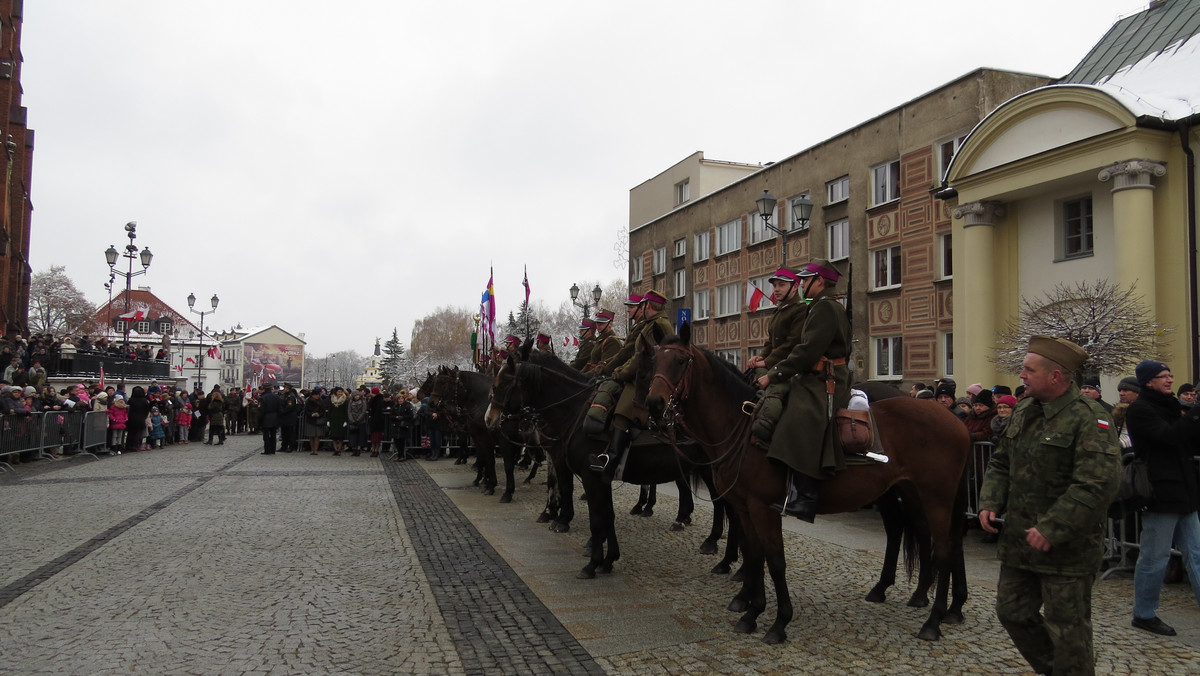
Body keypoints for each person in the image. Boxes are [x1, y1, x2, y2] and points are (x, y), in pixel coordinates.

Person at [978, 335, 1121, 676]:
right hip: (1020, 542)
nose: (1022, 375)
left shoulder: (1090, 418)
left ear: (1056, 375)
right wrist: (990, 499)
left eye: (1029, 369)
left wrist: (1053, 527)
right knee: (1012, 612)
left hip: (1066, 548)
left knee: (1067, 628)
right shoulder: (1026, 410)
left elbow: (1098, 483)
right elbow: (1000, 462)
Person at [757, 260, 851, 523]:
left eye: (805, 279)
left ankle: (806, 495)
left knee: (799, 415)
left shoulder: (825, 308)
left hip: (827, 378)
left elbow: (806, 350)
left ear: (819, 281)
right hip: (817, 374)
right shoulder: (822, 306)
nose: (802, 283)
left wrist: (774, 374)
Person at [1126, 360, 1200, 636]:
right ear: (1148, 382)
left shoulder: (1169, 405)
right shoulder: (1140, 410)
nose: (1169, 380)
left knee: (1197, 554)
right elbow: (1169, 437)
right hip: (1161, 493)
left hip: (1185, 493)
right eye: (1163, 376)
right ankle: (1143, 613)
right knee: (1155, 558)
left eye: (1170, 375)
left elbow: (1187, 441)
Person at [587, 289, 674, 481]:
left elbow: (639, 357)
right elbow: (633, 355)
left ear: (647, 306)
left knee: (622, 413)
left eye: (639, 305)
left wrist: (621, 373)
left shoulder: (657, 325)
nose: (630, 310)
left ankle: (611, 460)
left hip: (648, 380)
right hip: (644, 375)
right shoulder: (652, 324)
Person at [746, 267, 810, 446]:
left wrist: (767, 362)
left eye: (782, 285)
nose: (776, 289)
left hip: (789, 368)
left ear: (795, 286)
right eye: (775, 285)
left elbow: (792, 343)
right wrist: (759, 358)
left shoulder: (800, 310)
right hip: (774, 363)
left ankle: (765, 432)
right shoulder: (781, 310)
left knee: (774, 393)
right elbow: (771, 342)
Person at [125, 386, 152, 452]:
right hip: (141, 418)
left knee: (131, 433)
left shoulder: (131, 400)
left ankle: (129, 446)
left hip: (131, 418)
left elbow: (128, 409)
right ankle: (136, 445)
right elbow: (147, 410)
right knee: (138, 433)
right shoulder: (144, 400)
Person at [258, 383, 282, 454]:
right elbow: (280, 409)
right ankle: (273, 450)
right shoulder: (277, 397)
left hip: (266, 418)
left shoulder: (262, 398)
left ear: (264, 389)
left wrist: (259, 420)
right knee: (273, 435)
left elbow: (261, 410)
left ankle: (267, 450)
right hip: (275, 417)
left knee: (266, 436)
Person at [304, 388, 327, 455]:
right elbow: (306, 411)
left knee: (317, 436)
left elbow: (323, 411)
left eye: (318, 395)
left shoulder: (321, 401)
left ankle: (316, 450)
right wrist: (311, 414)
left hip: (318, 420)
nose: (317, 396)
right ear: (312, 395)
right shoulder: (308, 401)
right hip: (310, 420)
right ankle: (312, 449)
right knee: (311, 436)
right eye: (316, 395)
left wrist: (318, 414)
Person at [280, 383, 302, 452]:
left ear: (288, 388)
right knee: (284, 433)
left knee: (290, 433)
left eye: (285, 388)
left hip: (290, 417)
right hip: (285, 417)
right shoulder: (284, 395)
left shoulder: (291, 396)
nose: (284, 389)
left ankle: (291, 447)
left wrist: (281, 411)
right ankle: (284, 446)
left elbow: (289, 407)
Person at [327, 387, 349, 455]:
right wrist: (328, 420)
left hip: (341, 419)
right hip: (333, 419)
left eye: (341, 392)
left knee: (340, 436)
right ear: (336, 392)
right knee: (334, 436)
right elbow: (330, 410)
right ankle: (335, 449)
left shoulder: (345, 400)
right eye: (338, 392)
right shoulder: (332, 399)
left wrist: (346, 421)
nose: (340, 393)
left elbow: (346, 411)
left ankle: (339, 449)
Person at [346, 390, 368, 456]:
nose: (357, 396)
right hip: (352, 420)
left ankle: (358, 449)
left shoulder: (363, 402)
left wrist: (358, 419)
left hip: (361, 421)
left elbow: (363, 411)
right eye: (355, 395)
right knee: (353, 436)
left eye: (358, 395)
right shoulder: (351, 402)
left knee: (360, 436)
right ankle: (354, 449)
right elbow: (349, 411)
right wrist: (352, 419)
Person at [367, 386, 386, 457]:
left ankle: (376, 449)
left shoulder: (378, 401)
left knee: (377, 437)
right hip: (374, 420)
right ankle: (374, 449)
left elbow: (377, 411)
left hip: (377, 421)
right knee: (374, 436)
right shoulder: (375, 399)